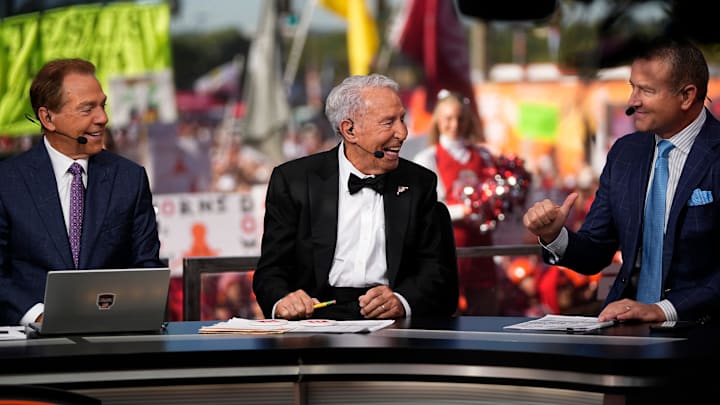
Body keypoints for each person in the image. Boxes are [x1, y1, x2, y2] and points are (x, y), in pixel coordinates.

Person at [523, 38, 720, 324]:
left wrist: (662, 310)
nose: (632, 101)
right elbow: (595, 252)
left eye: (646, 90)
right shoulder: (625, 153)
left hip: (704, 335)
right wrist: (555, 236)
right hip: (624, 326)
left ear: (687, 96)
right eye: (632, 87)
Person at [252, 74, 458, 321]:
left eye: (402, 119)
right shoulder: (294, 181)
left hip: (392, 326)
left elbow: (437, 274)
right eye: (388, 122)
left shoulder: (420, 183)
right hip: (314, 324)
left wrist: (402, 301)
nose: (402, 133)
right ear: (349, 130)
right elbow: (271, 272)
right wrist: (283, 301)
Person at [0, 58, 164, 326]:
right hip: (28, 346)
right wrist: (39, 317)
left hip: (113, 339)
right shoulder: (7, 182)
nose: (103, 118)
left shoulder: (129, 179)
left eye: (103, 105)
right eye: (87, 109)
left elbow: (147, 266)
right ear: (47, 117)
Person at [413, 90, 500, 316]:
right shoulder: (428, 158)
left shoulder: (484, 156)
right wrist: (466, 210)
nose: (455, 124)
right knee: (446, 318)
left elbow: (498, 201)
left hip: (481, 248)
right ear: (438, 121)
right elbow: (429, 211)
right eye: (448, 118)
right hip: (447, 249)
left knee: (485, 317)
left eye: (460, 118)